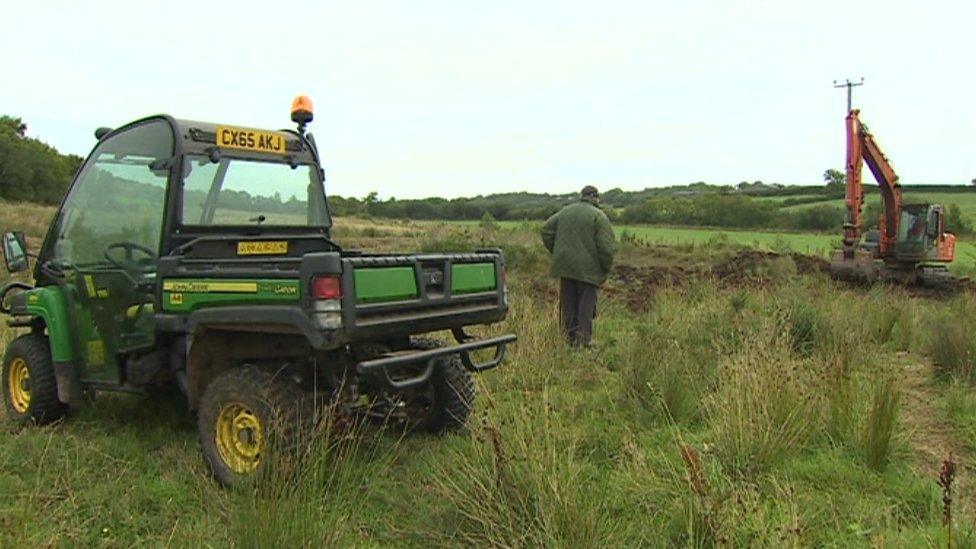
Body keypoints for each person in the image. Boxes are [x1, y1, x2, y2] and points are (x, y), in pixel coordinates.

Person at [540, 185, 615, 347]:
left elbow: (546, 230)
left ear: (582, 196)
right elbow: (606, 248)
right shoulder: (599, 216)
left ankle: (567, 340)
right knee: (586, 307)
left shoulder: (565, 211)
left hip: (565, 267)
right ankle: (583, 343)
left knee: (567, 304)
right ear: (596, 198)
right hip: (589, 270)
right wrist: (605, 268)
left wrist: (558, 252)